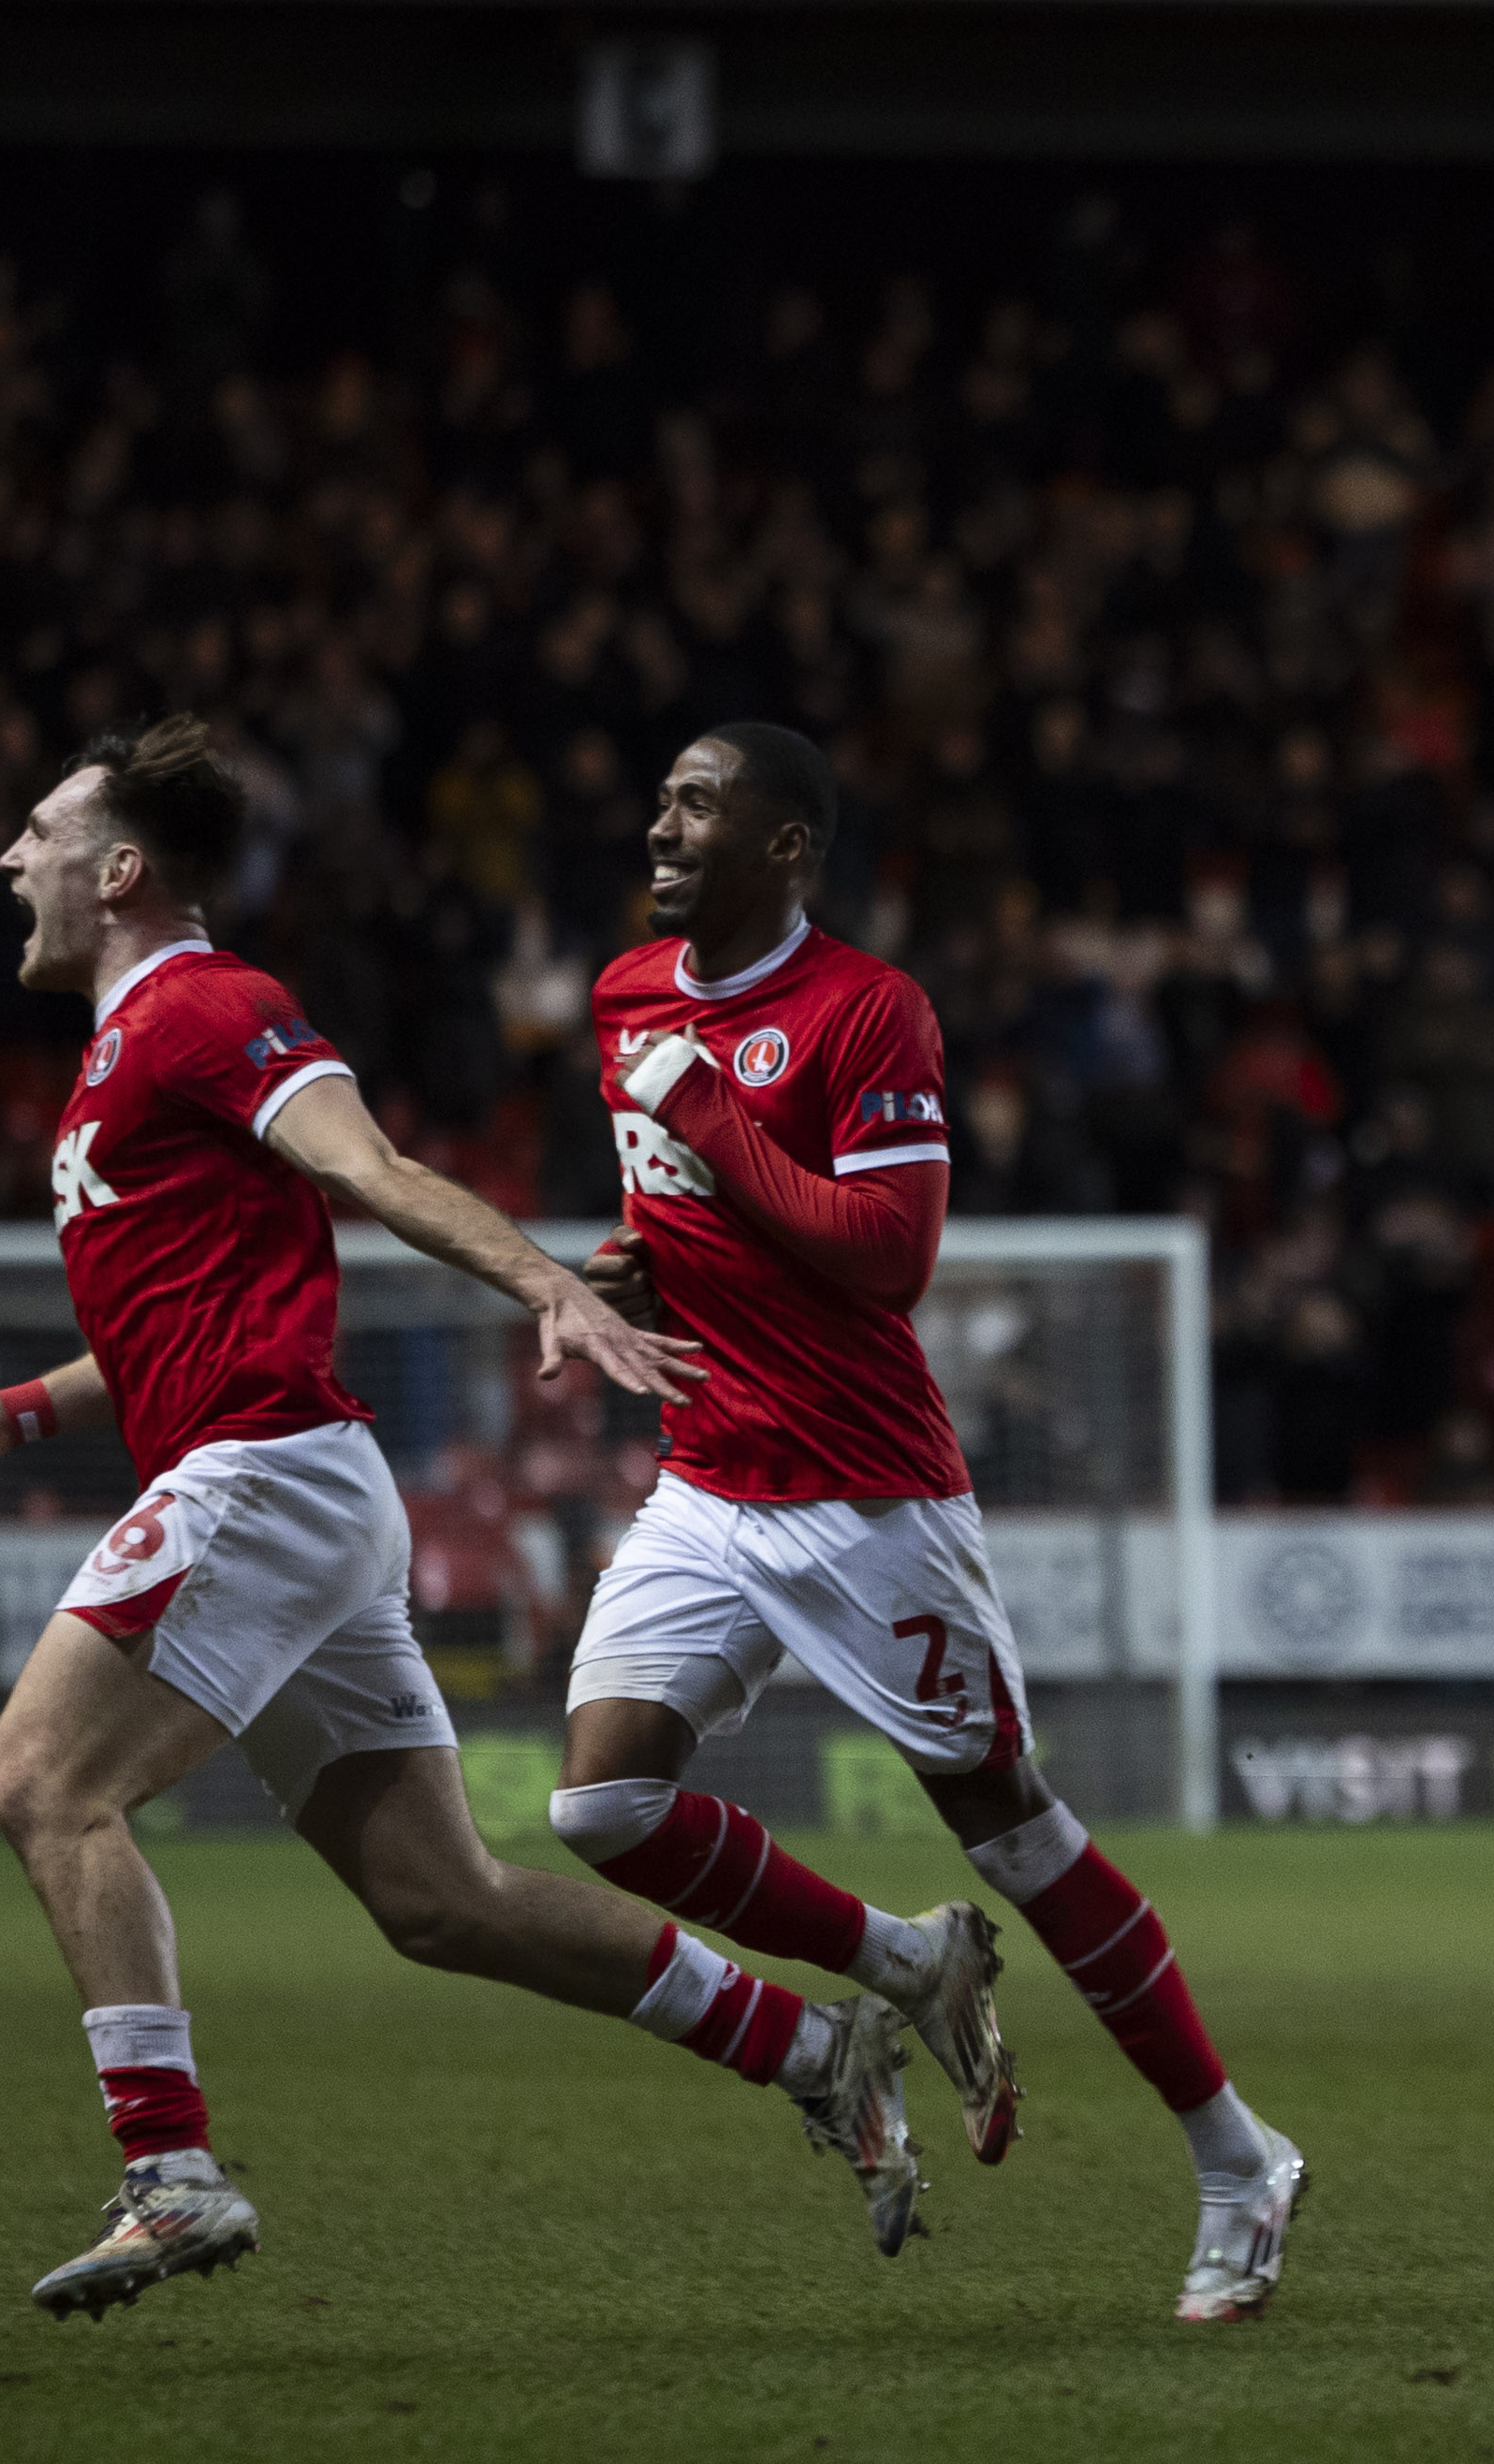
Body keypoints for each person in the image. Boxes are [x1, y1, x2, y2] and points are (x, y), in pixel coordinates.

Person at [0, 716, 930, 2321]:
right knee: (443, 1902)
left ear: (121, 869)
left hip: (265, 1475)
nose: (13, 857)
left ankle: (171, 2171)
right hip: (283, 1483)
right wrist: (11, 1415)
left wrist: (548, 1280)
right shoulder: (120, 1048)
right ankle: (813, 2044)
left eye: (40, 831)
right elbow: (167, 1318)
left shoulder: (209, 1006)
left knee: (39, 1780)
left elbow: (375, 1168)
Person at [558, 722, 1304, 2322]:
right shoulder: (626, 997)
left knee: (1017, 1833)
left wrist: (713, 1117)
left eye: (699, 800)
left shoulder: (863, 1007)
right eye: (664, 792)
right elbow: (673, 1213)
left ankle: (1241, 2161)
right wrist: (609, 1280)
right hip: (708, 1478)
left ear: (787, 846)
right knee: (600, 1807)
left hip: (864, 1491)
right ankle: (900, 1960)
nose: (661, 819)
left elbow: (886, 1255)